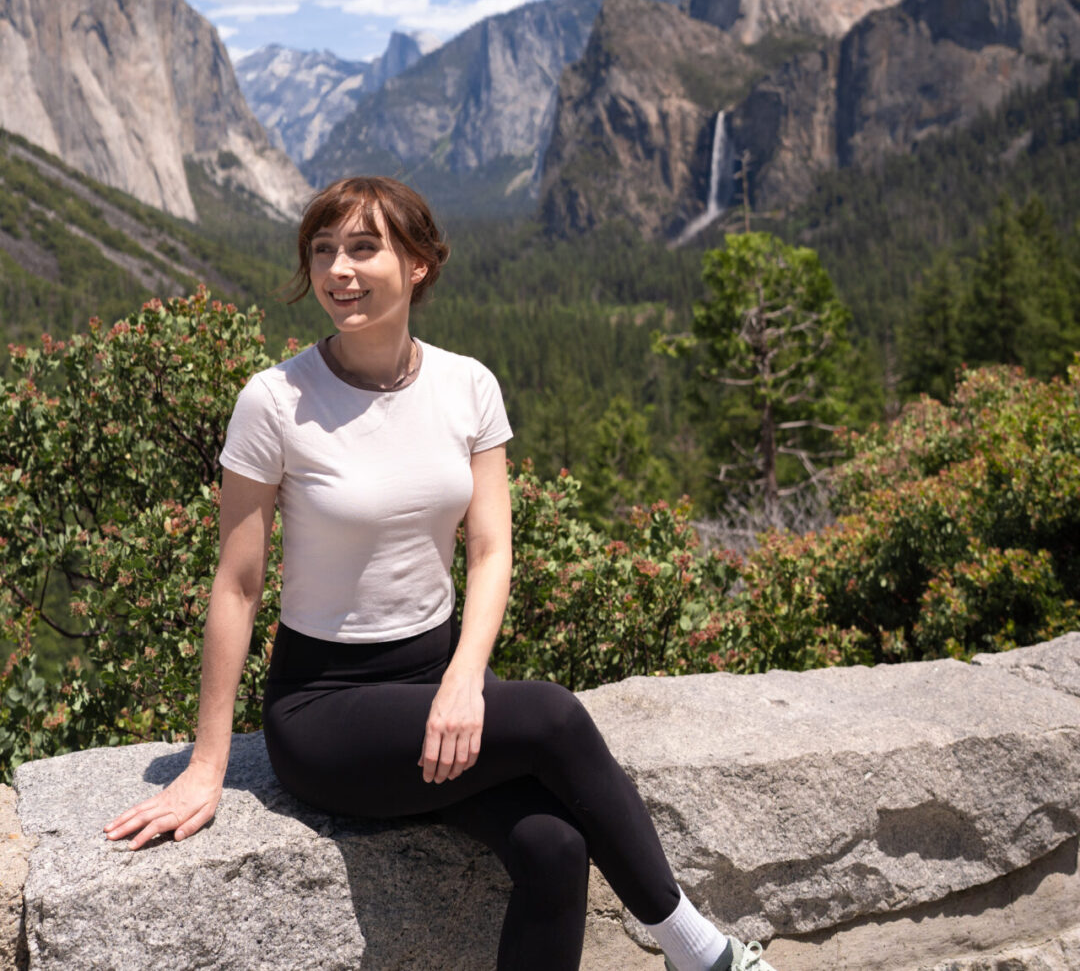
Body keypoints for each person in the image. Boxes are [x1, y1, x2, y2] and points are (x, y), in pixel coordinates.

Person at [105, 176, 777, 971]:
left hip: (441, 681)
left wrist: (465, 680)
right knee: (556, 718)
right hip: (329, 709)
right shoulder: (276, 401)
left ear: (418, 263)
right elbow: (237, 586)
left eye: (363, 248)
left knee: (556, 848)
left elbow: (491, 549)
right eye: (322, 251)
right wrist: (207, 765)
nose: (338, 271)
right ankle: (701, 953)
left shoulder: (467, 386)